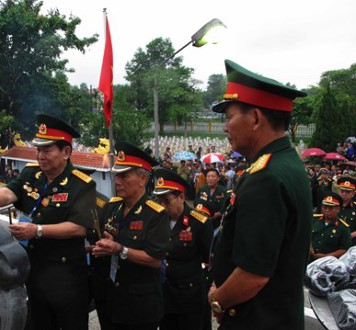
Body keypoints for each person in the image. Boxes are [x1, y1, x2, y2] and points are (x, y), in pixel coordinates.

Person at [207, 59, 312, 329]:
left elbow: (253, 275)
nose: (225, 127)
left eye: (229, 117)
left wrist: (219, 299)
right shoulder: (285, 162)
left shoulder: (266, 176)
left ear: (255, 118)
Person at [0, 114, 96, 330]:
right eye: (38, 149)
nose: (40, 155)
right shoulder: (31, 173)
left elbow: (79, 228)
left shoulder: (82, 184)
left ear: (66, 152)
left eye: (47, 150)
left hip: (67, 276)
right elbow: (7, 194)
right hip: (35, 270)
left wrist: (38, 230)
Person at [92, 141, 170, 330]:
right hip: (111, 299)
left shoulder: (155, 214)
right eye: (116, 175)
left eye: (124, 175)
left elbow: (155, 260)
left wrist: (120, 249)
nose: (117, 181)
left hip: (139, 306)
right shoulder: (112, 207)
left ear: (142, 179)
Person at [153, 168, 213, 330]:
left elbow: (210, 260)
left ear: (181, 197)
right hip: (164, 295)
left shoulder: (199, 222)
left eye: (166, 201)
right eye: (159, 201)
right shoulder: (157, 220)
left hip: (189, 297)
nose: (163, 206)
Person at [310, 192, 352, 262]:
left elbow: (344, 249)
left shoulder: (343, 227)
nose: (327, 210)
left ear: (338, 209)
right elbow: (303, 234)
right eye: (325, 207)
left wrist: (325, 256)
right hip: (309, 259)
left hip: (328, 263)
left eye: (331, 208)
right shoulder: (313, 220)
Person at [337, 176, 356, 245]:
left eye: (348, 192)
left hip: (351, 243)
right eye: (342, 191)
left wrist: (349, 236)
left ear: (353, 193)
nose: (344, 194)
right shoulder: (332, 206)